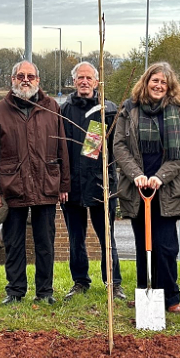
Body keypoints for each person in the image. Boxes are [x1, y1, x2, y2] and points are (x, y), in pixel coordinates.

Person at [0, 61, 70, 304]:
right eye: (20, 75)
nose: (25, 79)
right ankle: (15, 291)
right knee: (13, 243)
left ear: (38, 80)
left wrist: (64, 184)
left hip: (46, 182)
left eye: (30, 76)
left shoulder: (51, 107)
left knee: (45, 243)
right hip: (13, 185)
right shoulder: (1, 110)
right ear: (12, 79)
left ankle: (45, 292)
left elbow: (61, 146)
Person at [113, 61, 180, 313]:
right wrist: (136, 174)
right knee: (143, 244)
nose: (158, 85)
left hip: (167, 188)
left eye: (163, 82)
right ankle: (144, 294)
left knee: (165, 245)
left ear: (170, 87)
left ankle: (170, 297)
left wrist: (160, 176)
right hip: (138, 188)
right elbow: (119, 146)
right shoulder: (129, 109)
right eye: (154, 80)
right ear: (146, 82)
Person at [60, 62, 125, 300]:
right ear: (74, 81)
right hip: (72, 187)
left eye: (89, 78)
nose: (84, 81)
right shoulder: (64, 110)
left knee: (106, 237)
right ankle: (80, 282)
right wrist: (62, 184)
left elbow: (114, 148)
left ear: (96, 82)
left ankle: (113, 282)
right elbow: (61, 150)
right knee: (76, 238)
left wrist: (108, 181)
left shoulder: (106, 110)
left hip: (101, 186)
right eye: (80, 78)